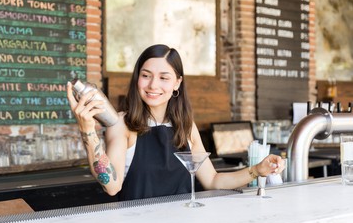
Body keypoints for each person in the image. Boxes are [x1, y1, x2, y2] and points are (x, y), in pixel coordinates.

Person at [67, 44, 285, 201]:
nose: (153, 85)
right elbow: (112, 187)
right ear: (137, 78)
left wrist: (257, 169)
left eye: (164, 77)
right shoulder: (122, 124)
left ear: (177, 82)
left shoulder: (185, 125)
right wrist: (88, 131)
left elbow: (213, 181)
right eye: (146, 75)